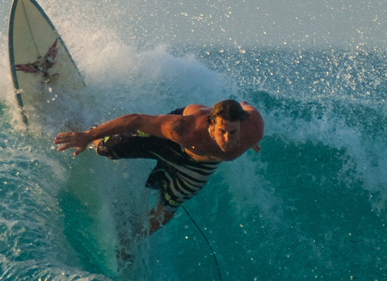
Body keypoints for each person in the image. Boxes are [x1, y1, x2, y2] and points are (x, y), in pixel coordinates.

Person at [53, 99, 264, 235]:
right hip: (172, 141)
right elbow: (136, 120)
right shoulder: (183, 128)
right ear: (211, 124)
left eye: (233, 132)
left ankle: (134, 238)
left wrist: (250, 139)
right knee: (107, 149)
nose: (227, 139)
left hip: (200, 163)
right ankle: (83, 129)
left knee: (168, 207)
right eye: (222, 131)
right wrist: (89, 136)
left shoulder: (254, 128)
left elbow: (245, 105)